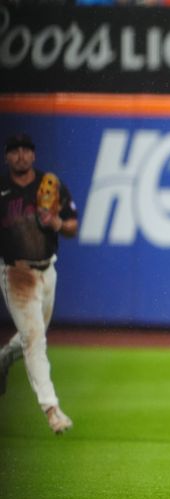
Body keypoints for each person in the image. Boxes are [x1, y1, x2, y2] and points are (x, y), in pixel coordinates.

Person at [0, 133, 78, 435]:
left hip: (48, 271)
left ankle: (4, 358)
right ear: (7, 157)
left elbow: (73, 224)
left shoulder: (50, 183)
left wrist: (57, 223)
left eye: (26, 150)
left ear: (33, 155)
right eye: (14, 151)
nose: (21, 156)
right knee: (35, 342)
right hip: (16, 274)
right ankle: (52, 410)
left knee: (32, 336)